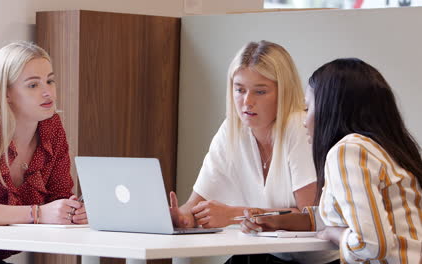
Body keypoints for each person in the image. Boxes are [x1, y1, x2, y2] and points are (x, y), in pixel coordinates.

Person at [170, 40, 338, 263]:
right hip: (271, 254)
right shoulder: (232, 129)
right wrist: (181, 217)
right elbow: (193, 207)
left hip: (317, 260)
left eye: (260, 91)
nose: (247, 102)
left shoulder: (299, 126)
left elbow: (311, 217)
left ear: (283, 92)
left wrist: (234, 214)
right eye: (239, 90)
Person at [241, 58, 422, 263]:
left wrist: (333, 235)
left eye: (307, 109)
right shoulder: (384, 149)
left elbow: (371, 244)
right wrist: (281, 221)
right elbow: (348, 217)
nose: (303, 120)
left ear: (330, 109)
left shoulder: (349, 150)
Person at [0, 41, 87, 263]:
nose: (47, 92)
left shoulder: (52, 128)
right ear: (6, 93)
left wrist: (72, 211)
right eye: (33, 85)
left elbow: (60, 195)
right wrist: (37, 213)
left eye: (50, 81)